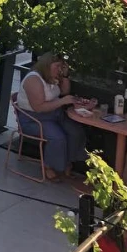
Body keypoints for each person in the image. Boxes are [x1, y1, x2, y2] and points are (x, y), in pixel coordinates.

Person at [16, 52, 88, 181]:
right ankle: (49, 167)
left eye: (62, 66)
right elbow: (39, 107)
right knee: (57, 137)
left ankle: (67, 162)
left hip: (54, 114)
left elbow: (65, 91)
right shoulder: (34, 79)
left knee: (76, 131)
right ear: (46, 65)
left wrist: (65, 75)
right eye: (57, 66)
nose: (60, 70)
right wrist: (62, 101)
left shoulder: (52, 76)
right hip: (33, 118)